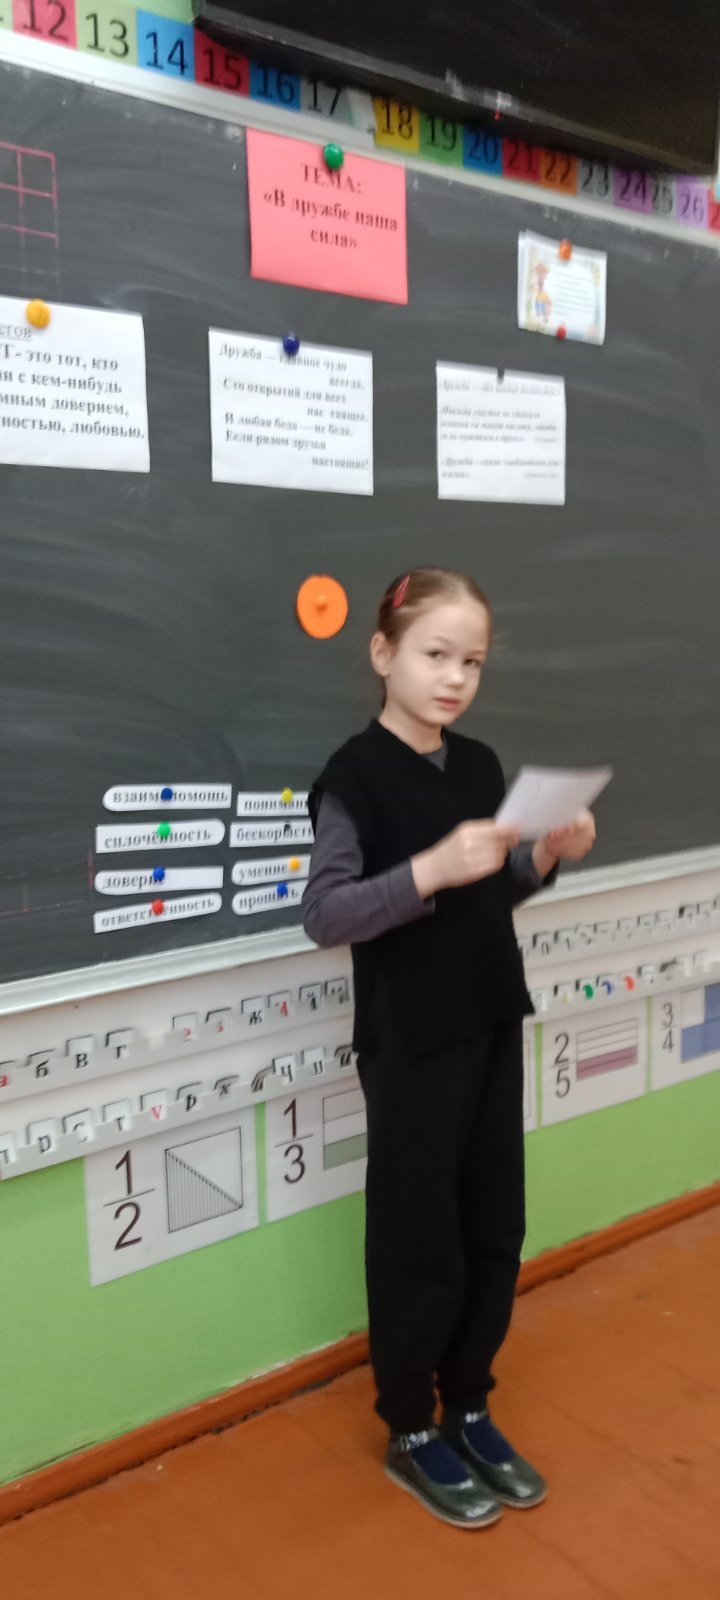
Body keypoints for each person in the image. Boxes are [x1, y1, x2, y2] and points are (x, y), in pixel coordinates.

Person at [303, 567, 596, 1529]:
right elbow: (327, 914)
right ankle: (410, 1423)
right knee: (417, 1232)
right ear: (382, 652)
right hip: (411, 1039)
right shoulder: (352, 776)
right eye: (436, 655)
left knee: (492, 1221)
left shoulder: (477, 763)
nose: (455, 678)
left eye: (471, 662)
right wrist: (429, 867)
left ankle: (469, 1399)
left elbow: (489, 891)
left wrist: (542, 856)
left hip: (489, 1015)